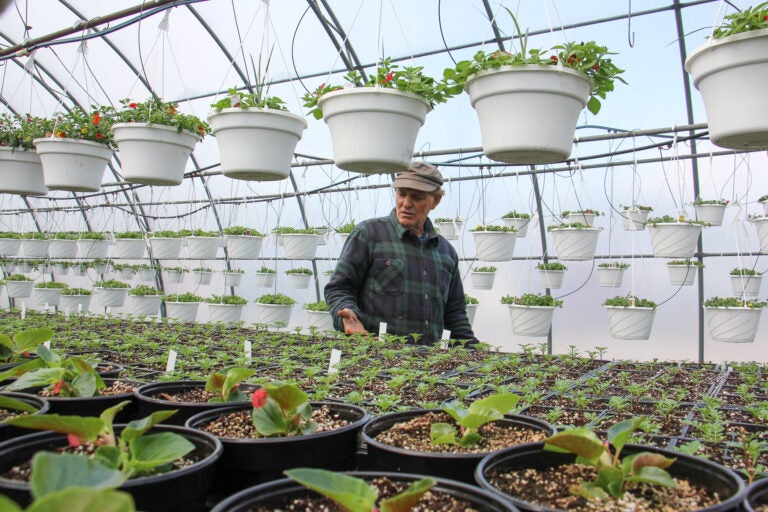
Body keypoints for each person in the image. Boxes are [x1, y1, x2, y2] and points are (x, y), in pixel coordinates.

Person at [325, 162, 478, 346]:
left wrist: (473, 351)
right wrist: (347, 312)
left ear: (435, 201)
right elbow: (339, 288)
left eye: (417, 197)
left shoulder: (445, 252)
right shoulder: (369, 234)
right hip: (374, 360)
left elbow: (455, 313)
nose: (406, 204)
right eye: (401, 194)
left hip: (430, 366)